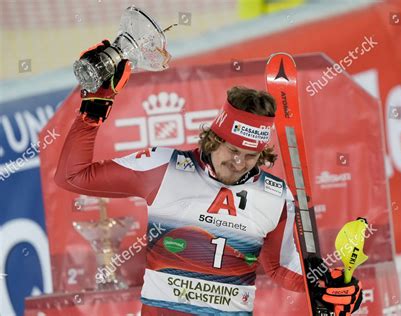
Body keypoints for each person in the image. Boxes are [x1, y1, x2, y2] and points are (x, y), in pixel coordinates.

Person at [55, 40, 363, 316]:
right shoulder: (165, 166)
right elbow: (72, 177)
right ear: (214, 139)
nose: (239, 162)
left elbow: (279, 268)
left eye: (251, 155)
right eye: (232, 149)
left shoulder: (276, 196)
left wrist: (325, 285)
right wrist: (94, 107)